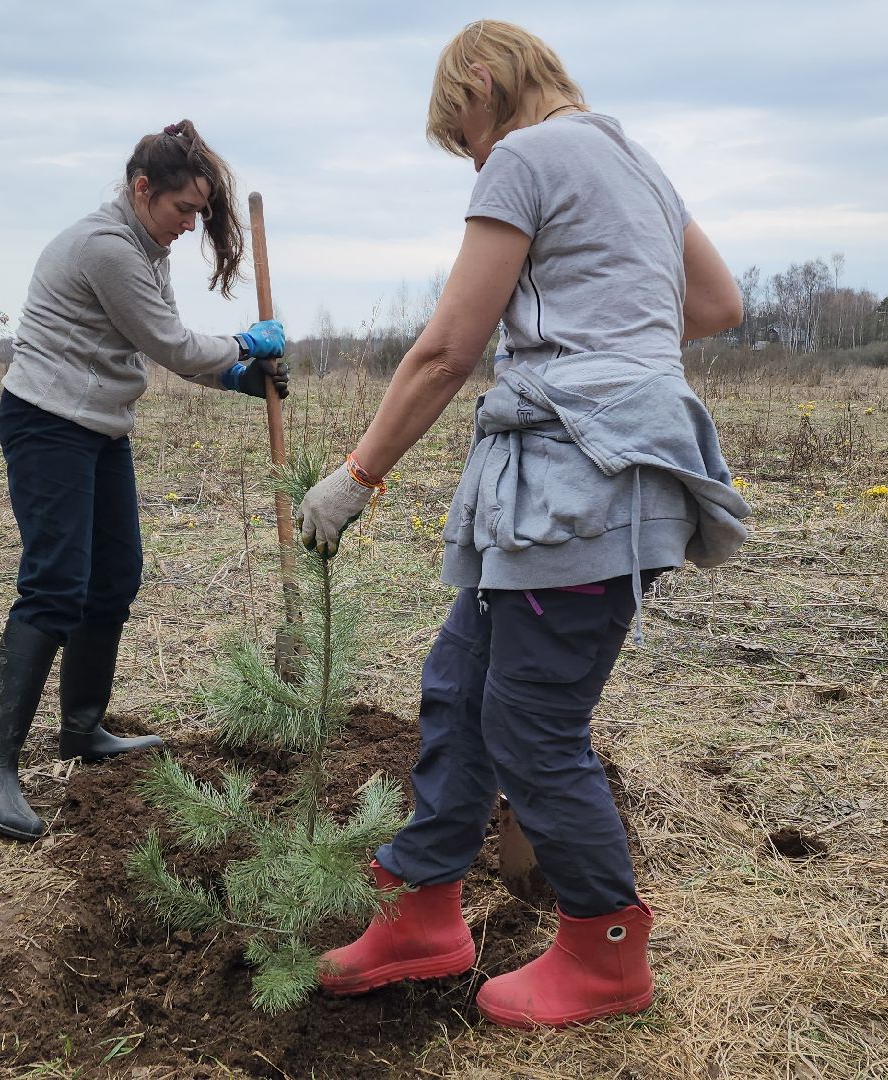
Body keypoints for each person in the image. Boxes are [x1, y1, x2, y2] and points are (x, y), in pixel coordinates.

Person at [296, 22, 752, 1028]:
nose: (470, 157)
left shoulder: (528, 154)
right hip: (578, 485)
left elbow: (448, 349)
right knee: (459, 686)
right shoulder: (632, 158)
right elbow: (714, 303)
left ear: (478, 81)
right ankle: (421, 912)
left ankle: (606, 955)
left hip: (581, 483)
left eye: (460, 136)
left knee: (533, 723)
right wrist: (618, 329)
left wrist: (358, 474)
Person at [0, 120, 288, 842]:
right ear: (143, 189)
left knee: (113, 578)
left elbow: (155, 341)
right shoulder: (108, 247)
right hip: (48, 423)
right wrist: (241, 345)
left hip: (99, 427)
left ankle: (81, 727)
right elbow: (170, 344)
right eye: (182, 210)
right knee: (54, 585)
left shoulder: (145, 244)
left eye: (199, 213)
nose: (189, 225)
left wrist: (234, 378)